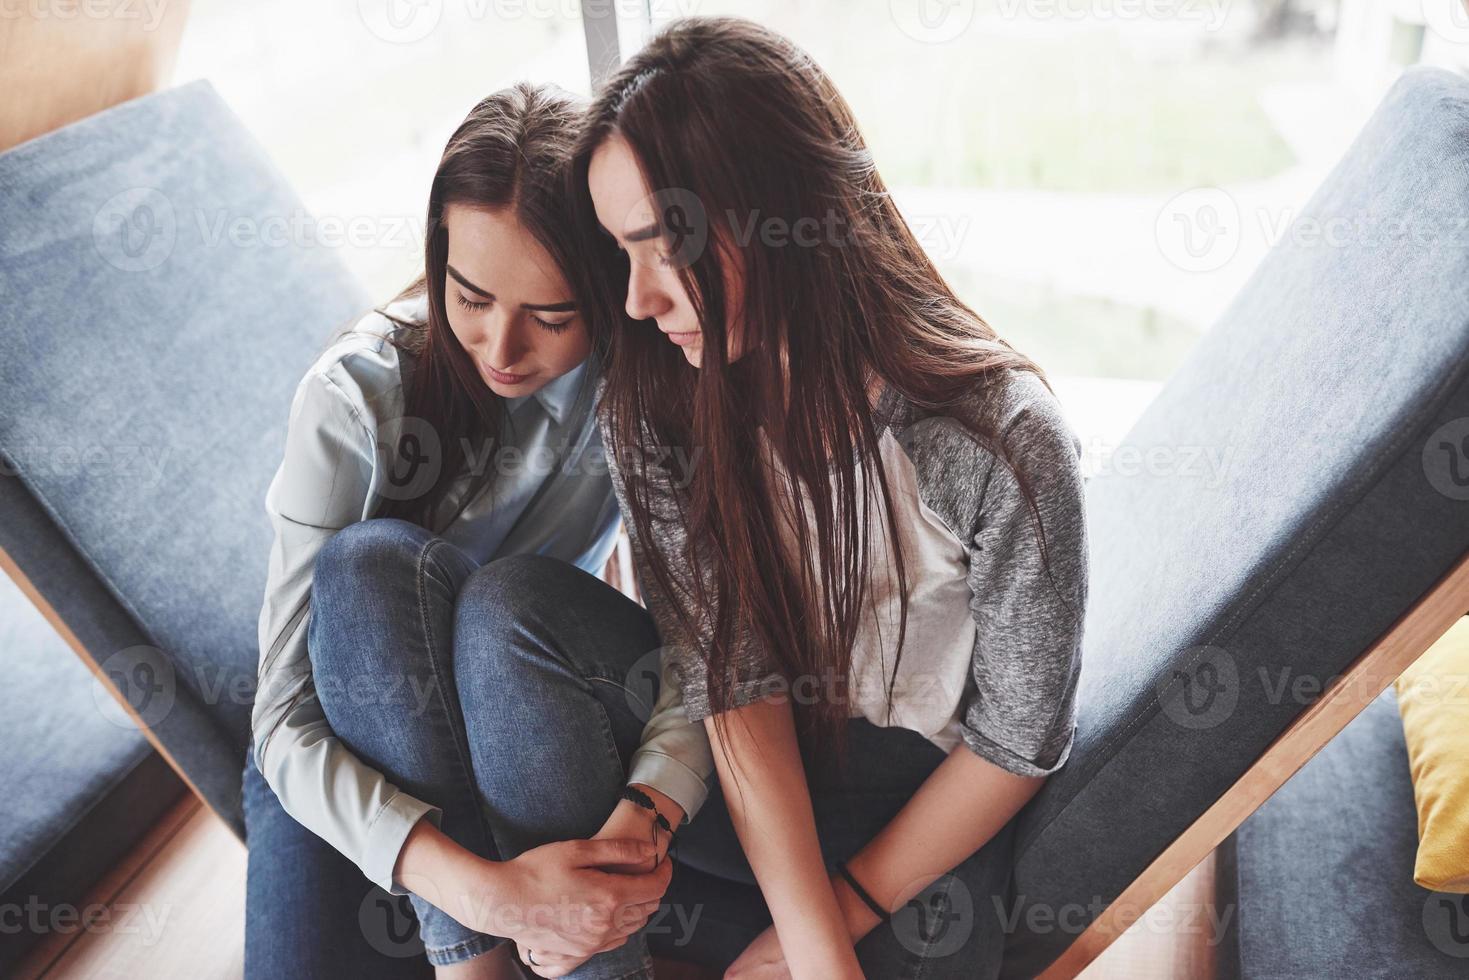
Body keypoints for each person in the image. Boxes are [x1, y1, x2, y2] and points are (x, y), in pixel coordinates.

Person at [565, 17, 1092, 978]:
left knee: (949, 935)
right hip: (732, 782)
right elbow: (734, 681)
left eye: (660, 246)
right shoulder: (655, 398)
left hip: (908, 811)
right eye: (619, 252)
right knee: (514, 615)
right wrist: (813, 950)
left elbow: (1019, 740)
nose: (638, 300)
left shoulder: (996, 439)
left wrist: (824, 935)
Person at [243, 82, 699, 980]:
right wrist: (490, 897)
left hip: (525, 685)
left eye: (552, 316)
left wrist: (645, 816)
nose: (499, 347)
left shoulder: (645, 378)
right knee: (367, 566)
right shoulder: (356, 398)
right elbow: (284, 721)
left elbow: (703, 637)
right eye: (471, 295)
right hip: (348, 725)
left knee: (500, 609)